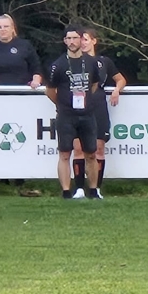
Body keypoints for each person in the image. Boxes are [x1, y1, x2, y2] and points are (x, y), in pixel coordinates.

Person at [45, 25, 105, 199]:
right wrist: (62, 104)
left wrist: (85, 100)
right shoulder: (58, 65)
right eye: (68, 38)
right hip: (66, 115)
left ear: (81, 39)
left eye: (75, 38)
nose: (72, 42)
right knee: (65, 153)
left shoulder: (92, 62)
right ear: (64, 41)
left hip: (87, 114)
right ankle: (66, 191)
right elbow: (49, 90)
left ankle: (93, 190)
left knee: (91, 153)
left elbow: (94, 84)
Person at [71, 27, 127, 199]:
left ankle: (95, 189)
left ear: (94, 41)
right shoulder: (72, 61)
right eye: (80, 39)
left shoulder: (104, 62)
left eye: (86, 39)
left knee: (99, 148)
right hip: (78, 107)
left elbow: (120, 79)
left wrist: (116, 90)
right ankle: (79, 189)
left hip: (98, 106)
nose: (83, 43)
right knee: (78, 148)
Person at [0, 14, 43, 88]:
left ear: (12, 28)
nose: (3, 29)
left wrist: (36, 81)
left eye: (6, 26)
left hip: (21, 91)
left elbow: (37, 69)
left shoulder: (25, 45)